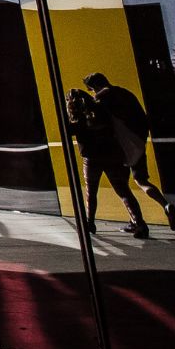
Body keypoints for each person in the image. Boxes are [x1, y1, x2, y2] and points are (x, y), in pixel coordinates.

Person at [83, 73, 175, 231]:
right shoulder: (125, 94)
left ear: (95, 86)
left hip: (120, 148)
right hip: (138, 144)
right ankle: (165, 205)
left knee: (123, 189)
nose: (92, 92)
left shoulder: (102, 98)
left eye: (91, 89)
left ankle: (136, 222)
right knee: (141, 180)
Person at [66, 88, 147, 238]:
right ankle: (140, 223)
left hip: (91, 159)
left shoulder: (78, 119)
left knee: (91, 193)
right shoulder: (101, 113)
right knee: (123, 191)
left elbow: (68, 131)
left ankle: (90, 223)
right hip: (111, 156)